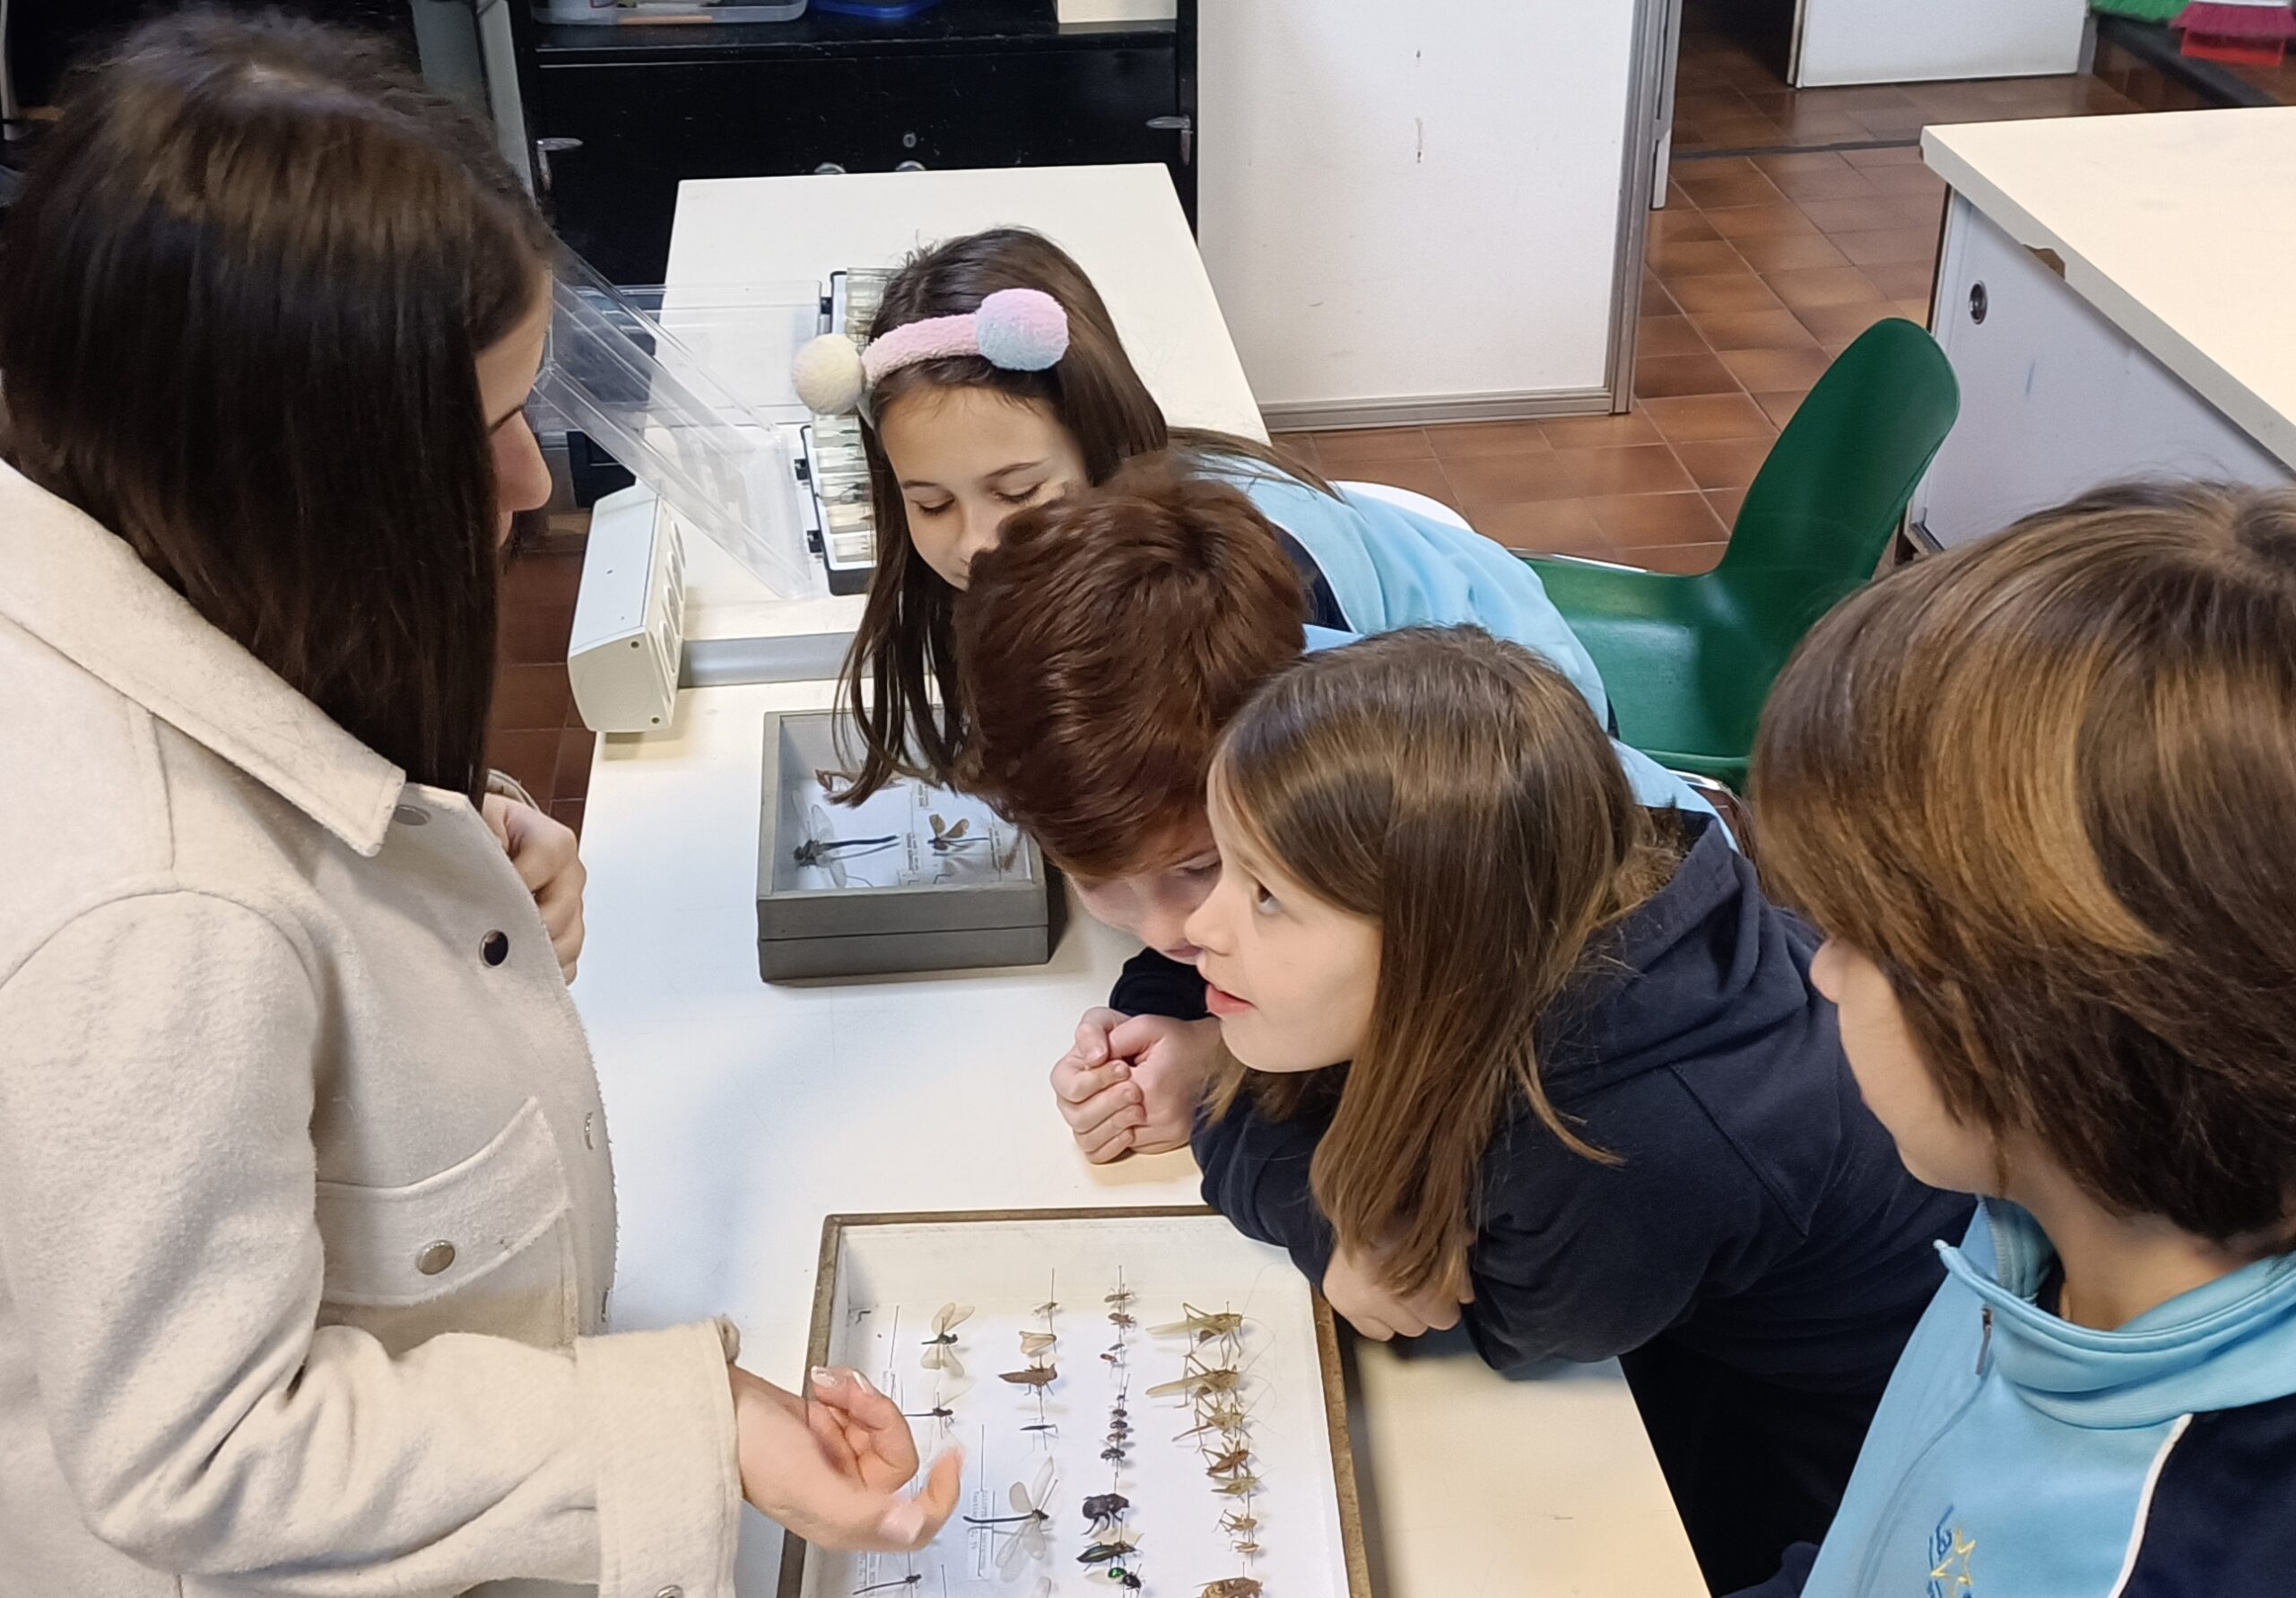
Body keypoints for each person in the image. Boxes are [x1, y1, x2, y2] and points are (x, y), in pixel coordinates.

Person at [0, 16, 954, 1594]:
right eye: (481, 430)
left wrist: (443, 860)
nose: (530, 484)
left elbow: (270, 777)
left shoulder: (124, 522)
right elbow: (211, 1451)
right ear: (292, 471)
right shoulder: (154, 916)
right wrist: (694, 1424)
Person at [1172, 626, 1970, 1592]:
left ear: (1443, 941)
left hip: (1823, 1473)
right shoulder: (1550, 893)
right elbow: (1249, 1094)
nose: (1198, 926)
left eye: (1266, 896)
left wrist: (1314, 1212)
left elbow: (1441, 1317)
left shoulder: (1620, 1151)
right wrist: (1316, 1204)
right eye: (1219, 866)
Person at [1732, 482, 2296, 1598]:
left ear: (2055, 1023)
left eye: (1860, 935)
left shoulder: (2181, 1548)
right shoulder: (2028, 1218)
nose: (1821, 971)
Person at [795, 227, 1703, 823]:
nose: (976, 541)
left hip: (1530, 745)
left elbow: (1359, 819)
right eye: (931, 504)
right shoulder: (1071, 546)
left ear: (1099, 440)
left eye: (1019, 492)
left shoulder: (1236, 589)